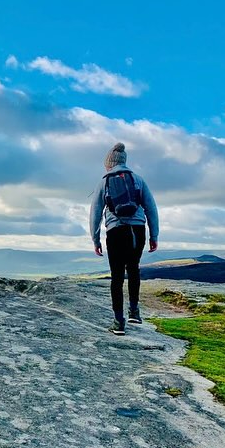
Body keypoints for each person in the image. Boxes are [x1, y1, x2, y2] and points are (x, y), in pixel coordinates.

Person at [89, 142, 158, 335]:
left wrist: (96, 240)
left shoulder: (104, 182)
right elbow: (151, 209)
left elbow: (95, 213)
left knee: (117, 276)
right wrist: (154, 235)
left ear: (109, 163)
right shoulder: (138, 180)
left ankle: (119, 322)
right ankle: (134, 312)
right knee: (133, 269)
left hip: (116, 231)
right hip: (137, 231)